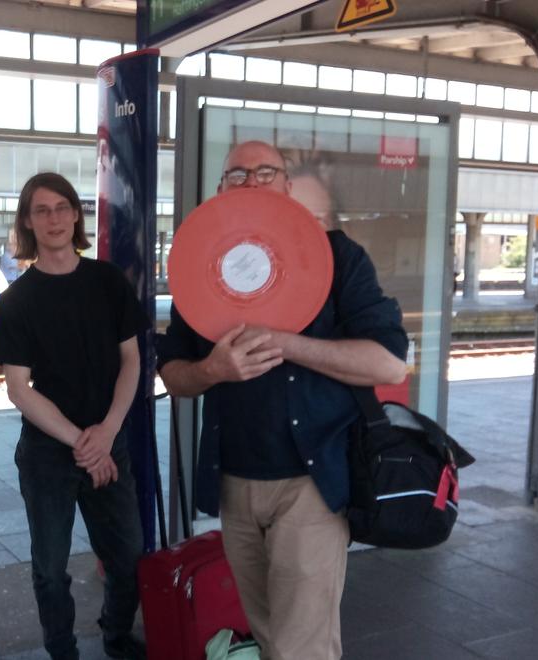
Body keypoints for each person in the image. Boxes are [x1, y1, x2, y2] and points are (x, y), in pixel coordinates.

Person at [157, 141, 409, 660]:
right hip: (235, 484)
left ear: (288, 188)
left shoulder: (338, 258)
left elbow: (387, 363)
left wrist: (285, 341)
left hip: (310, 485)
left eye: (264, 172)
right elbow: (174, 375)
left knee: (302, 648)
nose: (250, 182)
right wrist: (211, 370)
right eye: (237, 174)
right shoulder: (202, 264)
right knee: (269, 633)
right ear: (221, 189)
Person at [0, 172, 147, 660]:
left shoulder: (108, 282)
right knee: (50, 567)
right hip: (48, 455)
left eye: (62, 207)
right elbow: (18, 390)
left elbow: (133, 361)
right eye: (41, 210)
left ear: (76, 214)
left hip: (109, 440)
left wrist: (108, 433)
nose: (54, 218)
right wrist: (84, 442)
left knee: (127, 558)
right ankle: (63, 651)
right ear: (28, 222)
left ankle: (116, 635)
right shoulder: (16, 302)